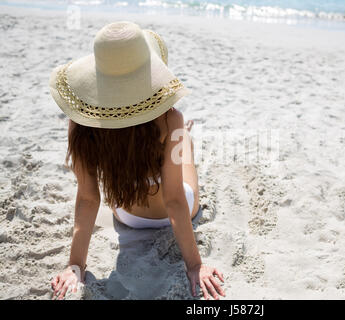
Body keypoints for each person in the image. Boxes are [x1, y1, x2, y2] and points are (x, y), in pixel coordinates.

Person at [47, 21, 225, 300]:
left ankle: (181, 139)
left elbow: (88, 199)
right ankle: (185, 138)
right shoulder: (169, 118)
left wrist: (76, 266)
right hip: (180, 212)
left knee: (173, 140)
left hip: (127, 214)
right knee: (183, 142)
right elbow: (175, 200)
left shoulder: (81, 125)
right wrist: (195, 266)